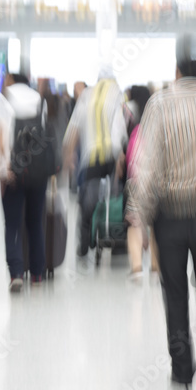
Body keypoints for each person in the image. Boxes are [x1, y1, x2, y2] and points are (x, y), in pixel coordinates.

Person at [128, 34, 196, 383]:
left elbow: (148, 164)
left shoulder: (159, 104)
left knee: (174, 291)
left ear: (175, 69)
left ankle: (181, 367)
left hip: (171, 214)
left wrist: (139, 211)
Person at [0, 73, 58, 291]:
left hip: (13, 171)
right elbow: (45, 136)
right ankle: (37, 274)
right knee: (35, 222)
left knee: (12, 225)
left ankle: (16, 274)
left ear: (10, 78)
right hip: (38, 172)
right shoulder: (39, 99)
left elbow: (0, 136)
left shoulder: (2, 99)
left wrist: (2, 168)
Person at [62, 70, 127, 268]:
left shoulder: (86, 97)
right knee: (115, 200)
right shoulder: (116, 94)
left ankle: (83, 248)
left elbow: (73, 129)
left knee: (87, 203)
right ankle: (115, 244)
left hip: (90, 159)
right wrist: (119, 157)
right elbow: (119, 127)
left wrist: (69, 157)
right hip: (111, 157)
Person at [124, 85, 158, 283]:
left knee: (135, 224)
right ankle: (156, 268)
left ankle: (137, 268)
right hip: (157, 183)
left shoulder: (137, 129)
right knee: (155, 226)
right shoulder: (161, 126)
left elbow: (131, 158)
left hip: (137, 182)